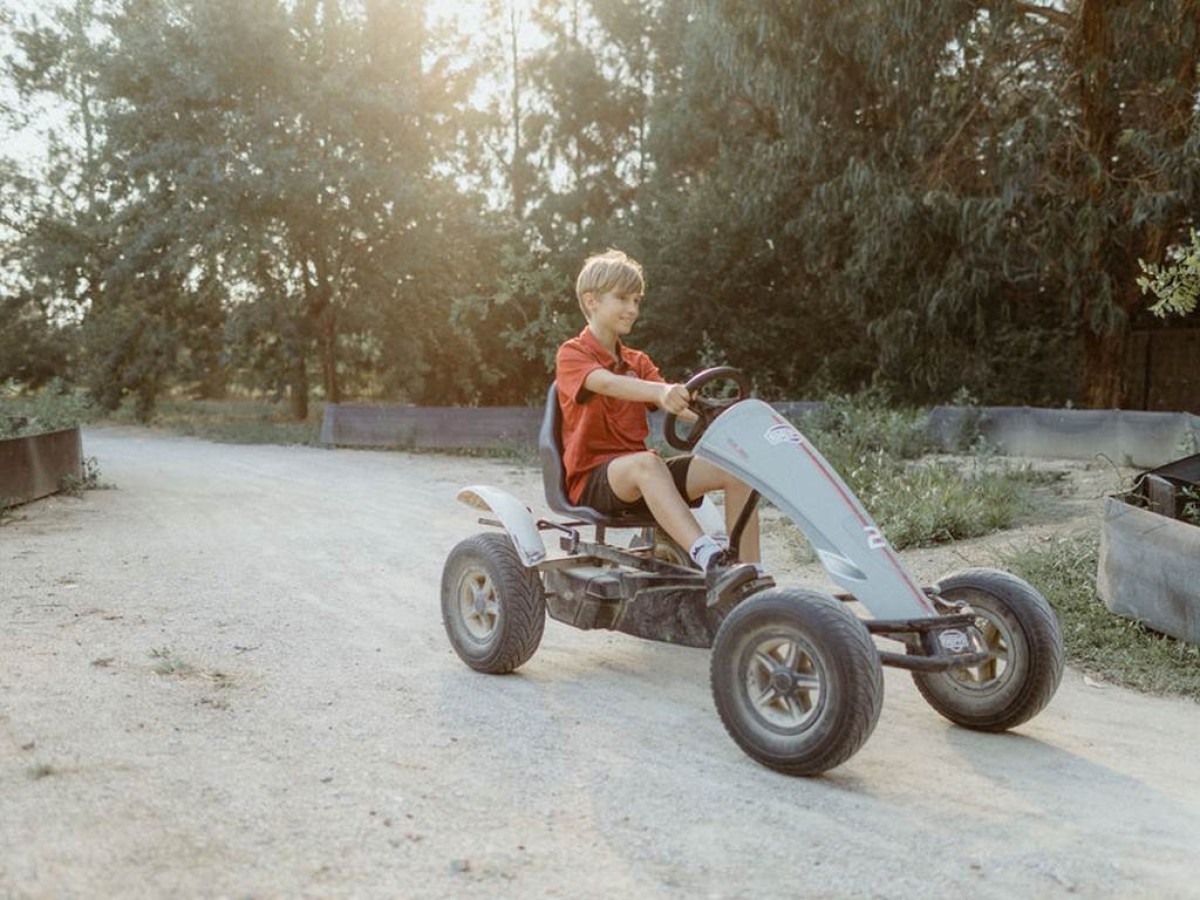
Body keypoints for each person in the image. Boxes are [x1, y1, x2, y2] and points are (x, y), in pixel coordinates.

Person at [554, 249, 762, 604]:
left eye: (636, 300)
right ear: (591, 301)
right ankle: (711, 560)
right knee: (647, 464)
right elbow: (607, 383)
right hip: (593, 480)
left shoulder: (637, 361)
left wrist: (717, 416)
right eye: (622, 298)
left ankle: (750, 579)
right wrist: (659, 392)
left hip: (641, 475)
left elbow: (677, 404)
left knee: (737, 469)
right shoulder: (573, 354)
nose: (632, 309)